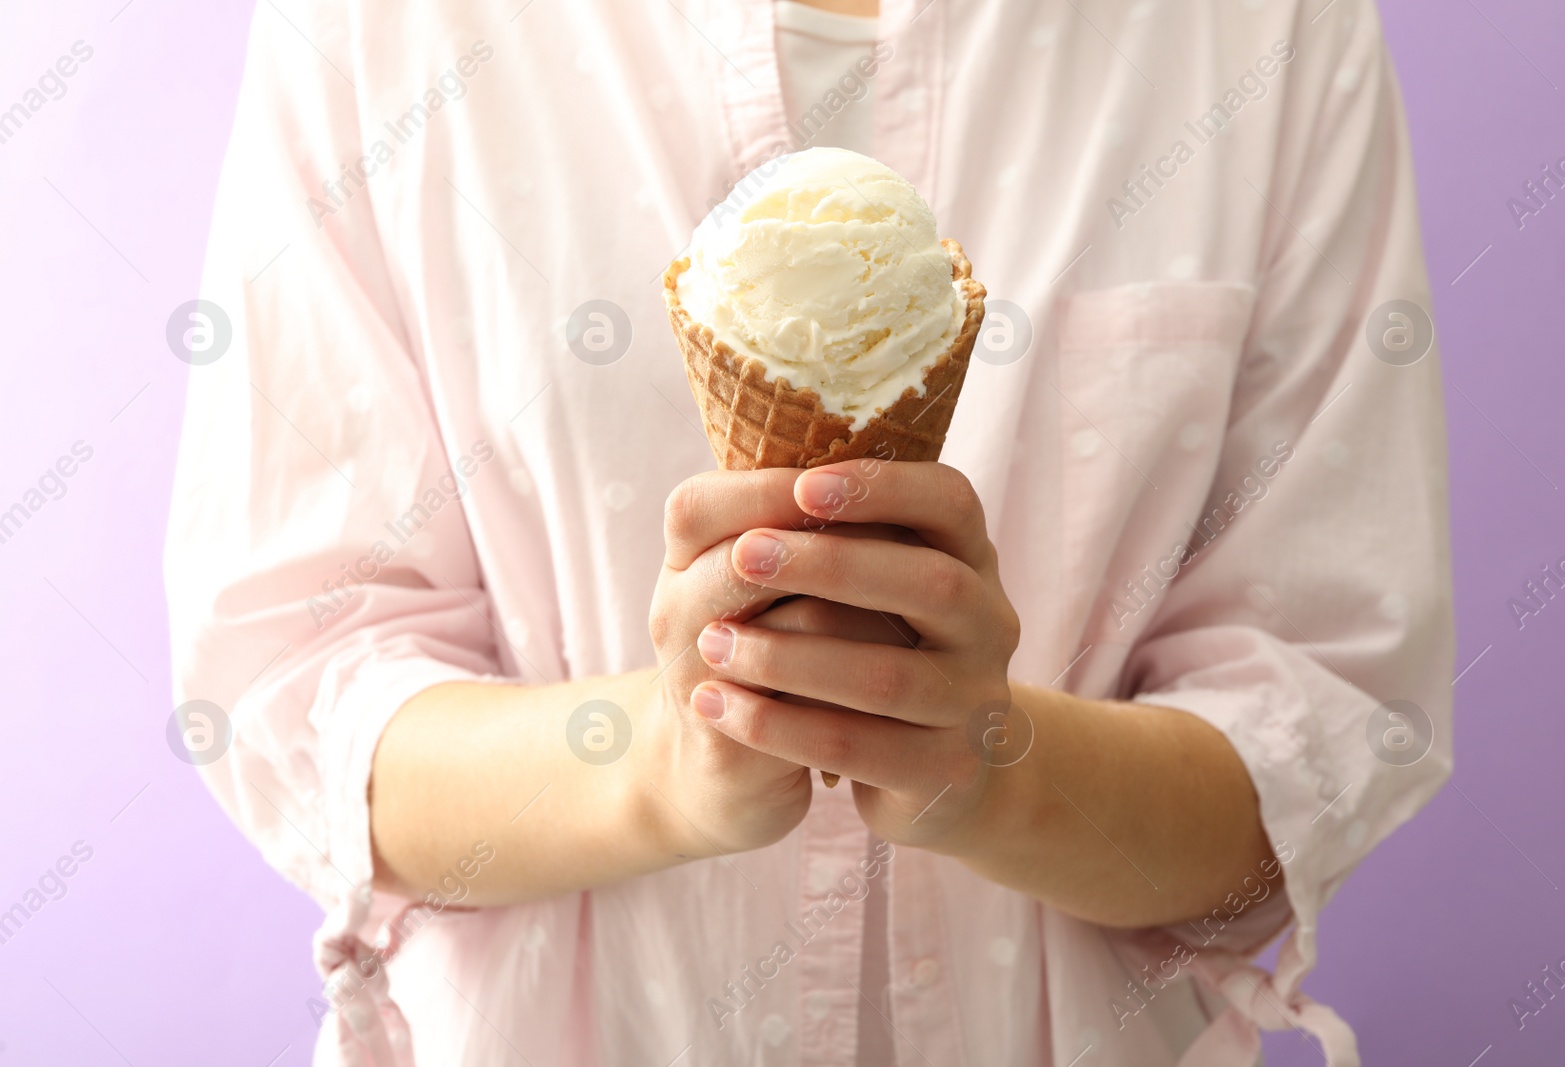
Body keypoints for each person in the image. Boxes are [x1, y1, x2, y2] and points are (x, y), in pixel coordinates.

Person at [165, 0, 1453, 1063]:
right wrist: (660, 766)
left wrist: (997, 767)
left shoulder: (1270, 31)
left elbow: (1311, 745)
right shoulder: (371, 30)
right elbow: (299, 688)